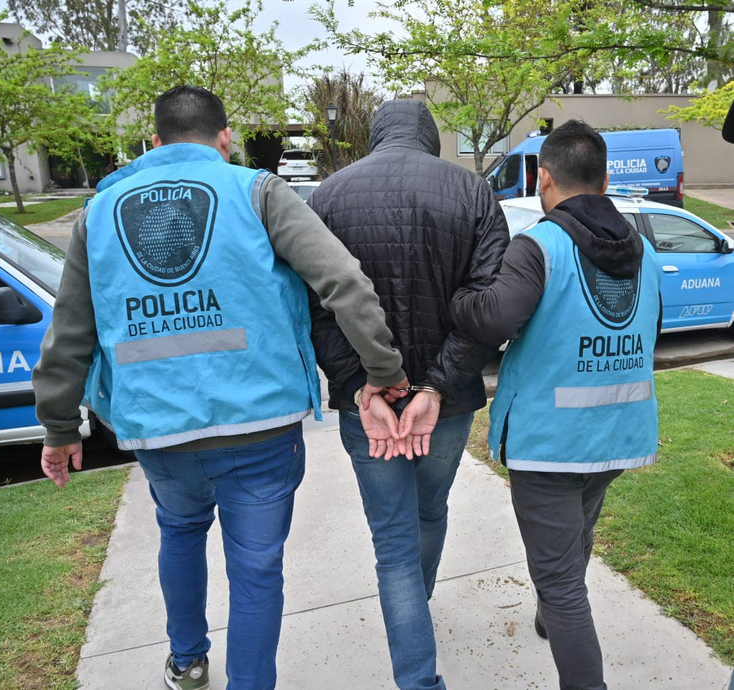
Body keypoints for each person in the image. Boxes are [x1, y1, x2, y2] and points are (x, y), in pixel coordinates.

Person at [32, 85, 407, 690]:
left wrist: (57, 427)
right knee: (257, 569)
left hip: (158, 427)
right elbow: (344, 282)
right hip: (260, 423)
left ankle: (186, 660)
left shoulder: (98, 212)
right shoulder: (257, 191)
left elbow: (70, 331)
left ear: (153, 143)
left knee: (178, 534)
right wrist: (384, 372)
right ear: (225, 138)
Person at [451, 119, 662, 690]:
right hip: (618, 434)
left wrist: (462, 295)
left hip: (549, 443)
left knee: (561, 582)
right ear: (606, 177)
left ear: (544, 178)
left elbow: (493, 320)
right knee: (577, 535)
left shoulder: (540, 245)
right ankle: (551, 613)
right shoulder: (640, 248)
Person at [307, 99, 510, 690]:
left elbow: (314, 308)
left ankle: (410, 629)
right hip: (442, 407)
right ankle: (415, 635)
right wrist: (438, 387)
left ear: (374, 136)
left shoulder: (326, 197)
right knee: (428, 512)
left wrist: (357, 384)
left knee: (394, 539)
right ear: (432, 137)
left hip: (365, 405)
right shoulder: (473, 194)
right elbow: (486, 302)